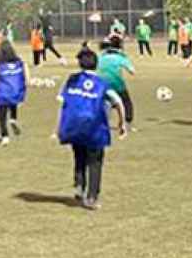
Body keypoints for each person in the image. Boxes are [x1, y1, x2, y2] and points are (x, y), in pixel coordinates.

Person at [55, 46, 126, 210]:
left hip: (74, 126)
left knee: (79, 155)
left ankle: (79, 185)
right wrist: (122, 124)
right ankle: (92, 197)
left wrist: (59, 127)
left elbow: (62, 102)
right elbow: (118, 102)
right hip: (95, 128)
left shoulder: (71, 79)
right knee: (95, 161)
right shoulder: (102, 83)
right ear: (97, 64)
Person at [97, 35, 137, 125]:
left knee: (105, 102)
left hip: (103, 84)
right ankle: (127, 122)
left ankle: (102, 121)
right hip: (117, 84)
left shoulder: (101, 56)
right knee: (127, 103)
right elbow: (132, 71)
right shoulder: (120, 57)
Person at [0, 40, 27, 145]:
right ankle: (13, 119)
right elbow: (26, 75)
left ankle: (5, 136)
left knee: (2, 115)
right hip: (16, 90)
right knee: (13, 102)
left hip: (4, 92)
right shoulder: (19, 62)